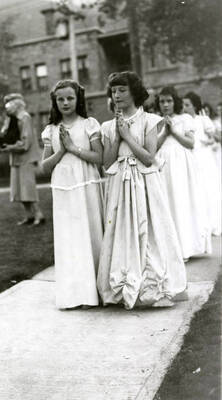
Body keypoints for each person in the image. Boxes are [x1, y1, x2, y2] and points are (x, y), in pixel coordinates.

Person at [97, 71, 187, 310]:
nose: (116, 95)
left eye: (121, 90)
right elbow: (106, 163)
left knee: (148, 230)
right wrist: (117, 135)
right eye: (113, 91)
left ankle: (151, 286)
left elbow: (148, 157)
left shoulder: (149, 120)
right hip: (120, 183)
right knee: (122, 231)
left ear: (134, 91)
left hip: (144, 181)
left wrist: (127, 135)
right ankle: (123, 286)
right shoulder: (107, 126)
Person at [41, 79, 103, 310]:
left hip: (85, 184)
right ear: (55, 102)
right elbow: (44, 167)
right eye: (60, 99)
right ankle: (72, 295)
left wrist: (74, 148)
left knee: (89, 235)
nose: (65, 103)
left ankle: (92, 294)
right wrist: (61, 151)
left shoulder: (89, 124)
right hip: (63, 189)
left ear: (78, 100)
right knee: (69, 238)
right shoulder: (50, 130)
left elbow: (99, 158)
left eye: (70, 98)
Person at [156, 87, 211, 261]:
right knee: (168, 203)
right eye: (162, 101)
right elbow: (154, 147)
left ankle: (186, 247)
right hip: (163, 164)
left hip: (181, 164)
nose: (165, 105)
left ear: (175, 102)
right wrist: (165, 132)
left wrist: (174, 132)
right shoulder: (156, 122)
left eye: (169, 101)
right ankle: (171, 250)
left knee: (182, 202)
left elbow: (190, 143)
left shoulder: (185, 118)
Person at [0, 93, 44, 226]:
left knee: (28, 189)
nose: (6, 107)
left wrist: (9, 147)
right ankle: (29, 216)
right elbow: (5, 135)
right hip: (16, 159)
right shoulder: (10, 119)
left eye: (9, 104)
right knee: (18, 190)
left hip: (26, 158)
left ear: (17, 104)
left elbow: (26, 143)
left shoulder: (25, 118)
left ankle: (39, 215)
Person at [183, 92, 221, 236]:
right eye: (184, 105)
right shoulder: (184, 121)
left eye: (188, 105)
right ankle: (201, 226)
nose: (185, 108)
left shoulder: (202, 119)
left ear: (194, 106)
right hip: (192, 158)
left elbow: (214, 139)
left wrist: (207, 142)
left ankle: (214, 224)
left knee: (209, 190)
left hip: (204, 157)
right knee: (197, 192)